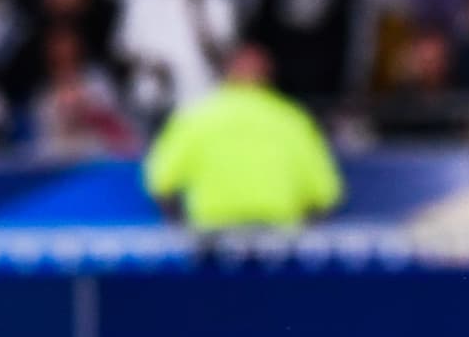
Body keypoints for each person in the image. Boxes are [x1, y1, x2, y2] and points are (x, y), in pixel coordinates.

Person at [144, 45, 342, 231]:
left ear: (227, 73)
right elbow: (326, 194)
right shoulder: (293, 120)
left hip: (211, 239)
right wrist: (299, 235)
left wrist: (184, 229)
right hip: (278, 242)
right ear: (268, 75)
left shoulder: (195, 118)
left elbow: (159, 182)